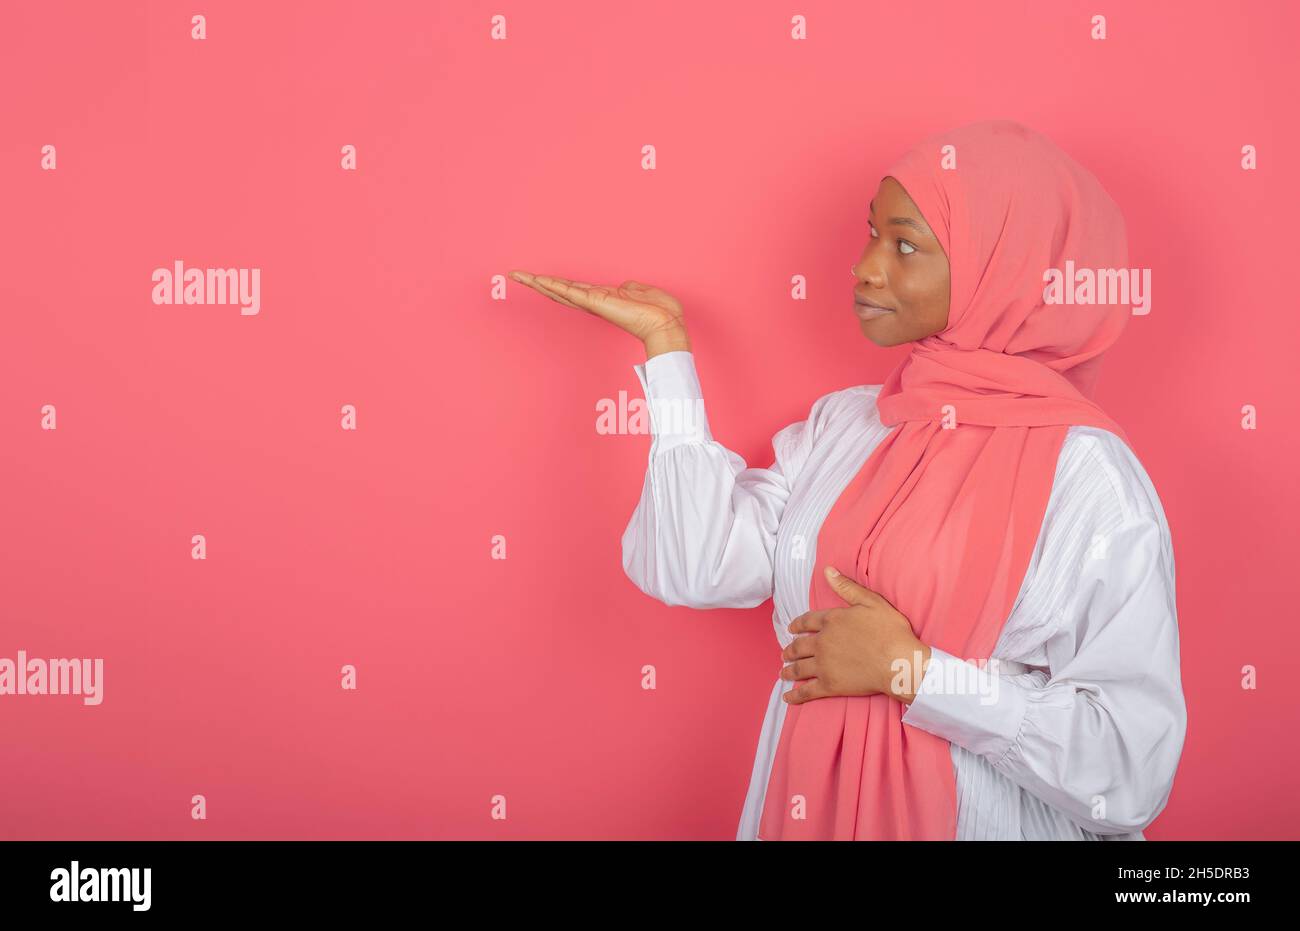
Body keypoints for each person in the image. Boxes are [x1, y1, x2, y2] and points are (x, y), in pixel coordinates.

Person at [509, 119, 1187, 841]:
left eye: (904, 245)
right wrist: (667, 352)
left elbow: (1127, 765)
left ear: (1000, 268)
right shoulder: (849, 425)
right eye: (872, 233)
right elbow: (693, 566)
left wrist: (912, 672)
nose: (865, 266)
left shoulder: (1089, 476)